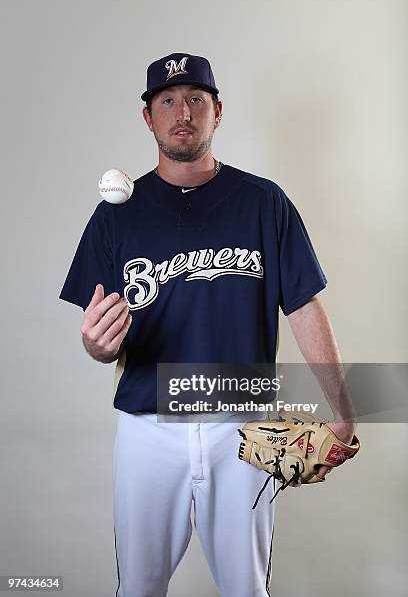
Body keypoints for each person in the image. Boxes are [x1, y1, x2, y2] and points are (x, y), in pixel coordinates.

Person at [60, 53, 356, 597]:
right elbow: (98, 335)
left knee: (246, 589)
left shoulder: (265, 202)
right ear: (148, 118)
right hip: (148, 426)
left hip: (240, 426)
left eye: (196, 99)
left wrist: (343, 410)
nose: (183, 112)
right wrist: (96, 346)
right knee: (139, 589)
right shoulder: (115, 216)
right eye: (167, 100)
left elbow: (305, 307)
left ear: (217, 111)